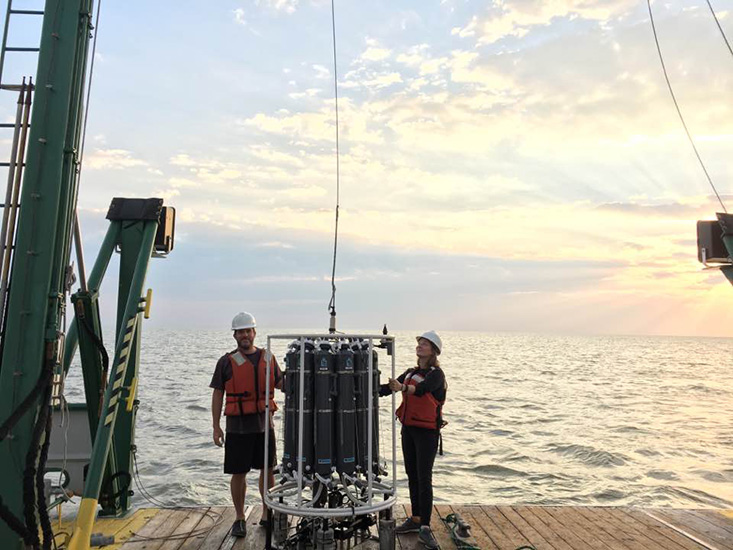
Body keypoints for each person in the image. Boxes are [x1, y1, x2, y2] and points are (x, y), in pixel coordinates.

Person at [210, 312, 282, 538]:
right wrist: (216, 426)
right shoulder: (226, 362)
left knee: (267, 470)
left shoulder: (268, 358)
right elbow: (218, 394)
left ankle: (267, 512)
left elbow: (282, 383)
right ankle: (240, 517)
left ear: (254, 333)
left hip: (264, 426)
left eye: (248, 331)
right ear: (235, 335)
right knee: (238, 473)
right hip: (237, 428)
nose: (245, 335)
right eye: (240, 332)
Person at [381, 330, 446, 550]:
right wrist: (364, 387)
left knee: (424, 477)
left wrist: (403, 388)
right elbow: (389, 389)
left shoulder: (436, 374)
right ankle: (416, 519)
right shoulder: (410, 372)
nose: (420, 346)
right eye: (419, 343)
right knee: (412, 474)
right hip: (409, 429)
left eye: (425, 344)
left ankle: (425, 528)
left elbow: (423, 390)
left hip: (427, 433)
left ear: (433, 350)